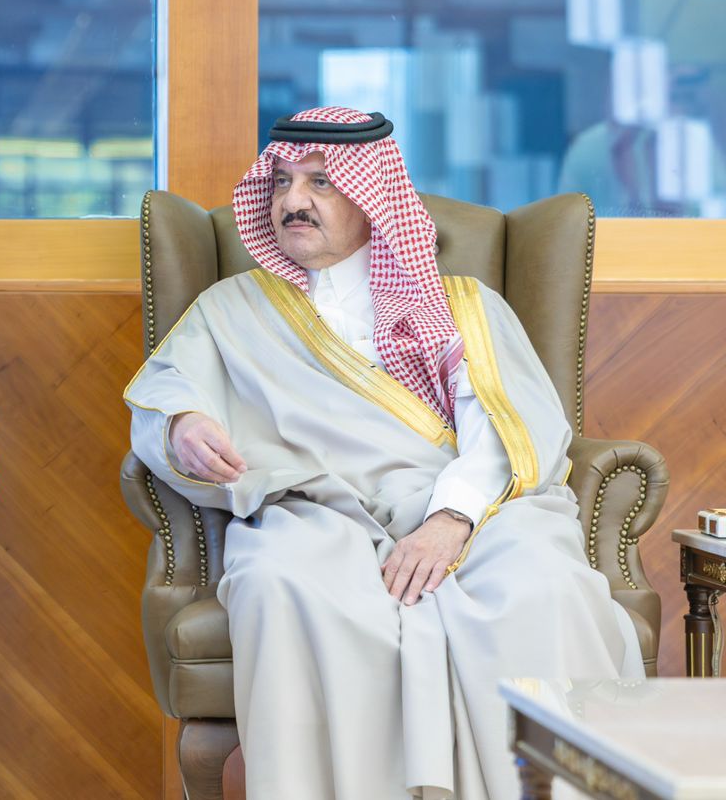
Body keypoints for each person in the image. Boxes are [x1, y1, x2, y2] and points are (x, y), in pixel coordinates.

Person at [124, 106, 641, 799]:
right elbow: (164, 392)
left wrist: (450, 521)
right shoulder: (232, 308)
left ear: (374, 198)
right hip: (314, 514)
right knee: (278, 581)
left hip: (471, 510)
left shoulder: (462, 305)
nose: (293, 201)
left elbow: (508, 429)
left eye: (320, 183)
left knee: (544, 586)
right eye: (281, 182)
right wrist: (183, 424)